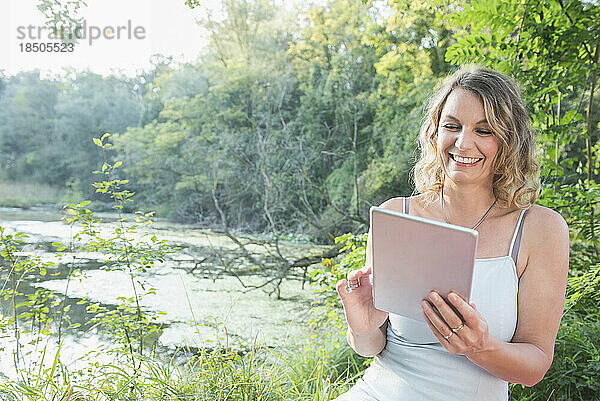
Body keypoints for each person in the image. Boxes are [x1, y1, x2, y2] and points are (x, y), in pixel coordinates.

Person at [333, 66, 569, 401]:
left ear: (509, 141)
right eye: (452, 126)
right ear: (435, 132)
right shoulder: (395, 215)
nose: (463, 142)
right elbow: (371, 347)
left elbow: (534, 368)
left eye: (484, 130)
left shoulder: (539, 229)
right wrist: (364, 325)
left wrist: (480, 347)